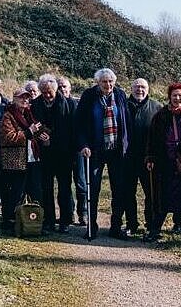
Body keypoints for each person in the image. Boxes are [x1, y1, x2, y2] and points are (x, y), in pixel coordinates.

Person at [144, 83, 181, 243]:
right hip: (167, 163)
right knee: (163, 197)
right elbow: (153, 138)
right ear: (169, 97)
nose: (177, 98)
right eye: (174, 95)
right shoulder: (161, 115)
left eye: (180, 95)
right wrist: (150, 157)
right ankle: (155, 229)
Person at [76, 68, 130, 239]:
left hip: (116, 150)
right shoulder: (89, 96)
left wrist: (126, 144)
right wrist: (83, 144)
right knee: (94, 188)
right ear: (98, 82)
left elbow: (125, 120)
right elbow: (80, 124)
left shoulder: (120, 95)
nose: (108, 85)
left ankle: (116, 226)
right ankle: (91, 226)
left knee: (118, 188)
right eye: (104, 82)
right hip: (95, 150)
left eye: (110, 81)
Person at [31, 74, 77, 233]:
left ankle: (65, 220)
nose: (47, 95)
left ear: (56, 90)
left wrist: (52, 138)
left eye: (49, 92)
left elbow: (72, 129)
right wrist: (41, 135)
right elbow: (33, 123)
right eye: (43, 92)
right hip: (45, 153)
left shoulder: (69, 104)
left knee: (64, 187)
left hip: (64, 153)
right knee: (46, 188)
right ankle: (49, 220)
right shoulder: (35, 104)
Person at [117, 78, 162, 237]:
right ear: (131, 88)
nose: (139, 90)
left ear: (148, 89)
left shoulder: (157, 107)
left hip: (148, 159)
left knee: (151, 193)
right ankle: (131, 224)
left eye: (143, 87)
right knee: (128, 193)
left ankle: (151, 225)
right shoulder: (122, 106)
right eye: (136, 87)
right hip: (127, 158)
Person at [0, 86, 47, 232]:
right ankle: (11, 223)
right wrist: (28, 132)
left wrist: (43, 136)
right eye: (21, 97)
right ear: (14, 99)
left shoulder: (29, 114)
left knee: (36, 192)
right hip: (16, 162)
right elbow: (8, 138)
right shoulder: (8, 115)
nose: (25, 100)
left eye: (27, 98)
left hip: (33, 159)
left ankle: (36, 223)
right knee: (15, 194)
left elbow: (36, 131)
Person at [59, 76, 87, 227]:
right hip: (62, 151)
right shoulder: (56, 105)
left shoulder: (78, 104)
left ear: (69, 88)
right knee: (64, 184)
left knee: (81, 183)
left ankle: (83, 213)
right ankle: (68, 214)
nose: (62, 89)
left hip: (78, 150)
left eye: (64, 86)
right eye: (60, 86)